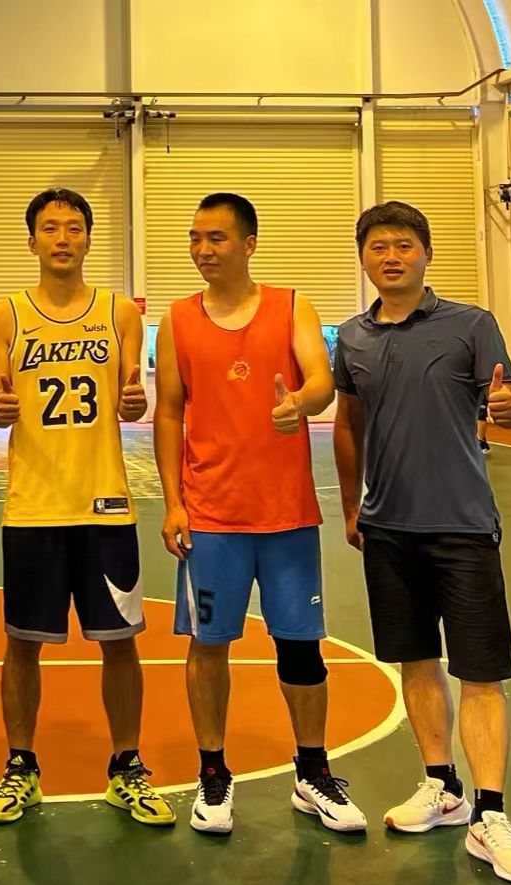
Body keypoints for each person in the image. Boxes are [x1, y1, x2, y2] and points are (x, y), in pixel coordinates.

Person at [333, 201, 511, 884]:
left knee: (480, 672)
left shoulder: (471, 325)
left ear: (426, 253)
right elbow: (348, 422)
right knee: (416, 661)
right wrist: (353, 505)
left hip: (463, 526)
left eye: (403, 245)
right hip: (388, 529)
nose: (390, 257)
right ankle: (442, 787)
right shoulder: (353, 338)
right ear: (363, 258)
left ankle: (491, 815)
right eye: (378, 247)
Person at [153, 192, 366, 834]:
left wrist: (300, 402)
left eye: (216, 237)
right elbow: (169, 411)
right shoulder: (177, 319)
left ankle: (312, 772)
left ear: (249, 243)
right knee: (208, 646)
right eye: (195, 238)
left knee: (300, 647)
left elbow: (322, 381)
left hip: (286, 515)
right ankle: (213, 772)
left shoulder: (292, 305)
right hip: (211, 515)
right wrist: (173, 502)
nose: (203, 249)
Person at [0, 188, 173, 826]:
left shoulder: (119, 312)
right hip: (33, 506)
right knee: (22, 644)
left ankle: (127, 767)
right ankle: (21, 767)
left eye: (73, 228)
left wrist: (135, 403)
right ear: (31, 240)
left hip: (105, 505)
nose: (62, 238)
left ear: (89, 238)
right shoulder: (5, 313)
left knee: (120, 644)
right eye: (49, 228)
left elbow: (132, 395)